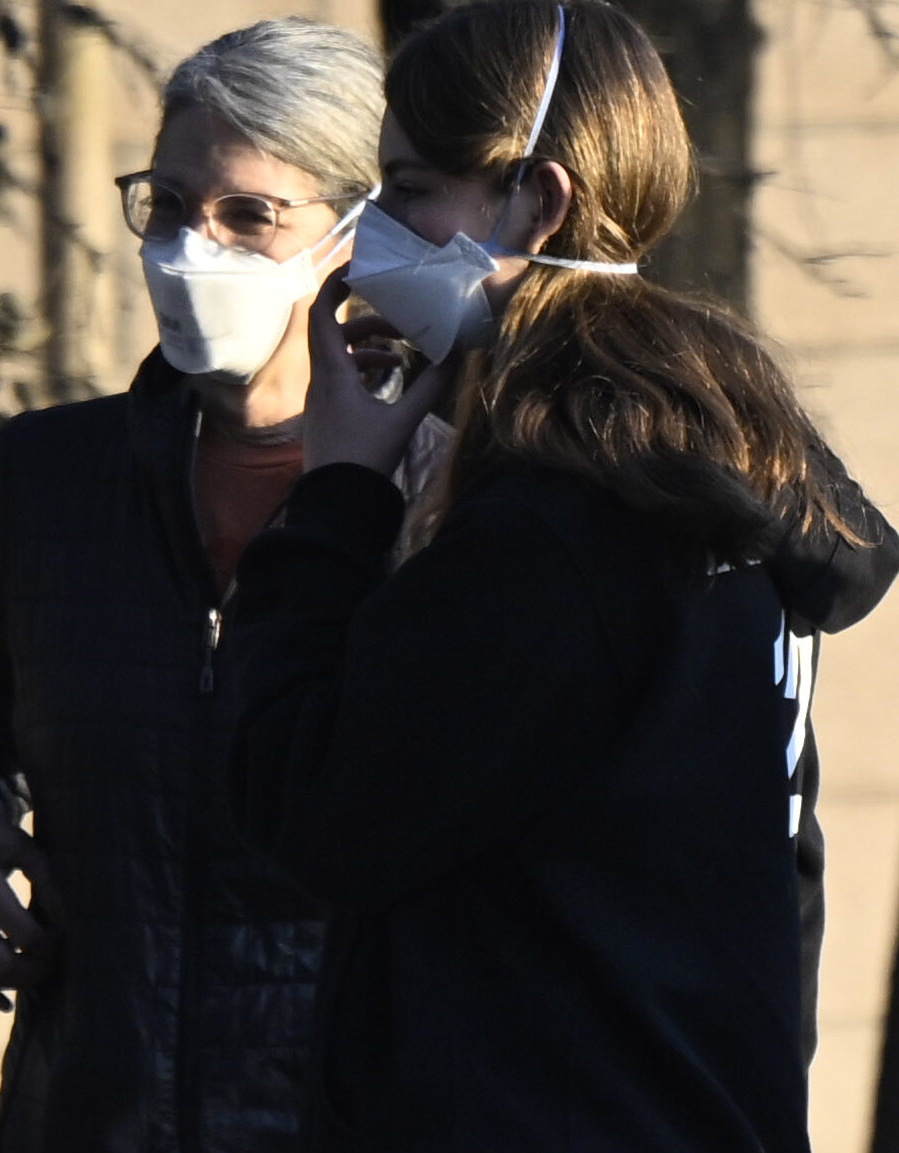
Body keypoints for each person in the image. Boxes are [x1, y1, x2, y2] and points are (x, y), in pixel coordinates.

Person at [227, 2, 896, 1149]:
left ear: (535, 204)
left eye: (409, 190)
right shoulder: (706, 479)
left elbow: (306, 806)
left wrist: (335, 494)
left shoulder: (559, 528)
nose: (374, 233)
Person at [0, 20, 414, 1151]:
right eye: (167, 205)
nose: (187, 247)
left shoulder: (442, 488)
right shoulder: (49, 476)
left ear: (358, 235)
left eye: (247, 215)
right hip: (88, 1114)